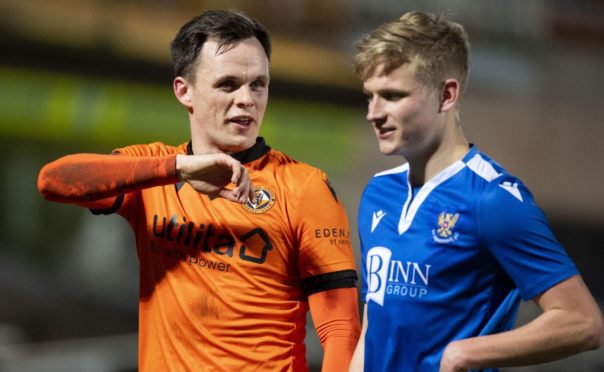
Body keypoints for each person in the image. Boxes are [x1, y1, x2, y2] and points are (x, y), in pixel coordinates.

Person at [38, 9, 360, 371]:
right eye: (228, 84)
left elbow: (340, 328)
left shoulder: (304, 186)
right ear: (184, 90)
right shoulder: (154, 170)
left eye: (258, 84)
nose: (247, 99)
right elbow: (53, 181)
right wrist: (178, 169)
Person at [349, 10, 603, 372]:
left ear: (447, 94)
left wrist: (465, 353)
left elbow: (582, 322)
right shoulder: (379, 192)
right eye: (369, 96)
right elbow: (374, 324)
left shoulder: (493, 199)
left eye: (392, 95)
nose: (373, 112)